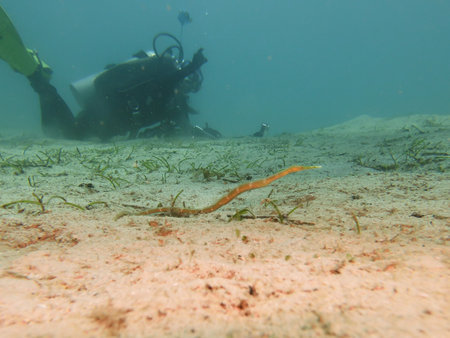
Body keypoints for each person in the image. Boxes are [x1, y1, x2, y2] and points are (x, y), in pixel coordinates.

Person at [0, 6, 209, 140]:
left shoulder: (171, 99)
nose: (188, 88)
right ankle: (37, 77)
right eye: (190, 82)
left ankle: (38, 78)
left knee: (65, 133)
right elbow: (165, 82)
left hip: (109, 118)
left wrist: (205, 133)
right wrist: (188, 70)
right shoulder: (167, 77)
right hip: (108, 110)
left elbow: (178, 128)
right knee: (68, 133)